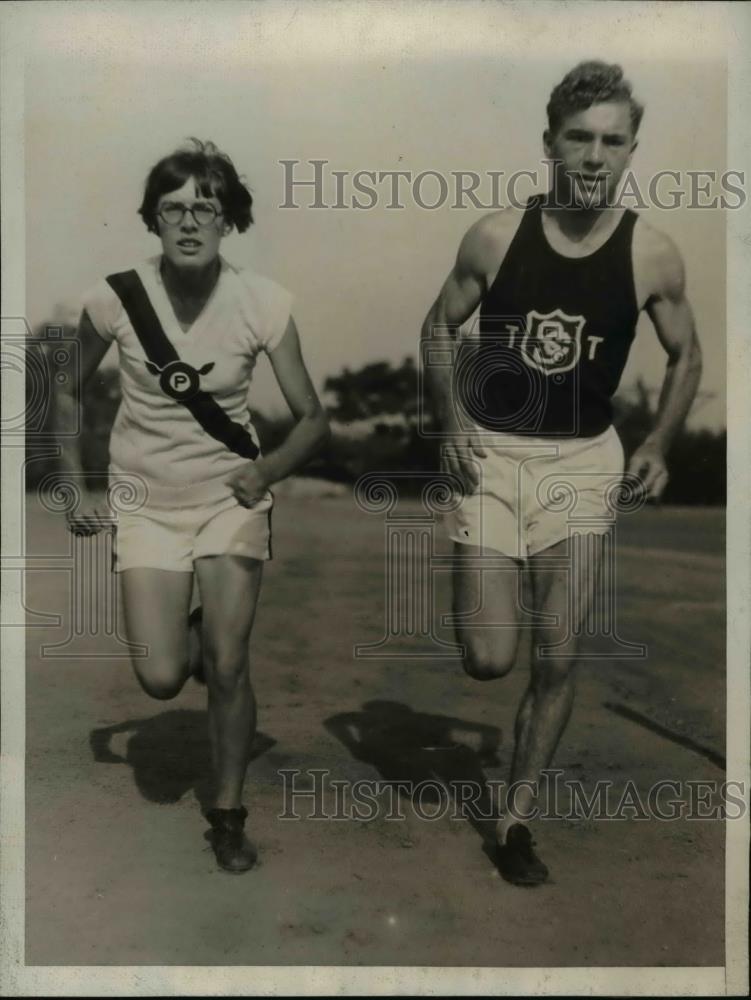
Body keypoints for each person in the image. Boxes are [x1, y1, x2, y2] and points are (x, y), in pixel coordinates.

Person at [420, 62, 702, 885]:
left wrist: (657, 444)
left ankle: (513, 821)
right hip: (493, 456)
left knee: (559, 651)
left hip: (583, 462)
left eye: (612, 141)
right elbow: (438, 328)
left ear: (631, 151)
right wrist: (450, 422)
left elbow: (687, 356)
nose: (592, 156)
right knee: (487, 657)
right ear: (548, 143)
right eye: (578, 138)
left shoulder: (650, 252)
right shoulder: (495, 236)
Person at [57, 138, 330, 873]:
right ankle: (200, 628)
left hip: (226, 498)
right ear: (152, 220)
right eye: (172, 208)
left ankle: (228, 812)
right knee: (158, 677)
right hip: (144, 502)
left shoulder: (263, 303)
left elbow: (312, 417)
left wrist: (265, 470)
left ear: (227, 219)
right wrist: (78, 484)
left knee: (230, 664)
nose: (187, 222)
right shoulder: (116, 296)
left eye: (203, 208)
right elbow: (62, 386)